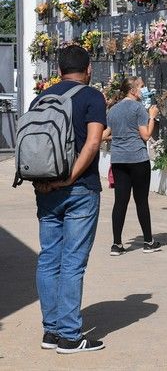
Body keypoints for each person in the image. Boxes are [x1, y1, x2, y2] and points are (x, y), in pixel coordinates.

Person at [32, 45, 106, 353]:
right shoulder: (92, 97)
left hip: (45, 189)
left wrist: (49, 181)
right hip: (80, 189)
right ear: (88, 69)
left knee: (49, 258)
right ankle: (71, 336)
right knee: (73, 261)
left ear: (59, 70)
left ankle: (50, 332)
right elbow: (91, 144)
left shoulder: (41, 99)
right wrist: (70, 177)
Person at [105, 76, 161, 255]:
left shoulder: (113, 110)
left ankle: (117, 244)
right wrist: (152, 117)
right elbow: (145, 136)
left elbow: (104, 134)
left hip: (118, 160)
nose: (144, 90)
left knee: (120, 201)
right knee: (141, 201)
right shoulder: (139, 108)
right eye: (142, 87)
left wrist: (118, 137)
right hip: (137, 159)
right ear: (133, 90)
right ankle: (148, 241)